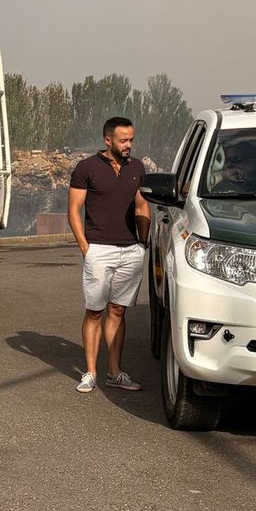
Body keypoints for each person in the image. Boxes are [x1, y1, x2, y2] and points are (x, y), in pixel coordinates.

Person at [67, 116, 151, 394]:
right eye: (123, 140)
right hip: (98, 250)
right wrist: (85, 247)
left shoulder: (137, 167)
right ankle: (90, 373)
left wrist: (143, 243)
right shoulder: (86, 168)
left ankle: (115, 373)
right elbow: (73, 210)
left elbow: (141, 205)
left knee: (118, 310)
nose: (129, 145)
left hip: (131, 250)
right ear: (107, 140)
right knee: (95, 311)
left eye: (131, 140)